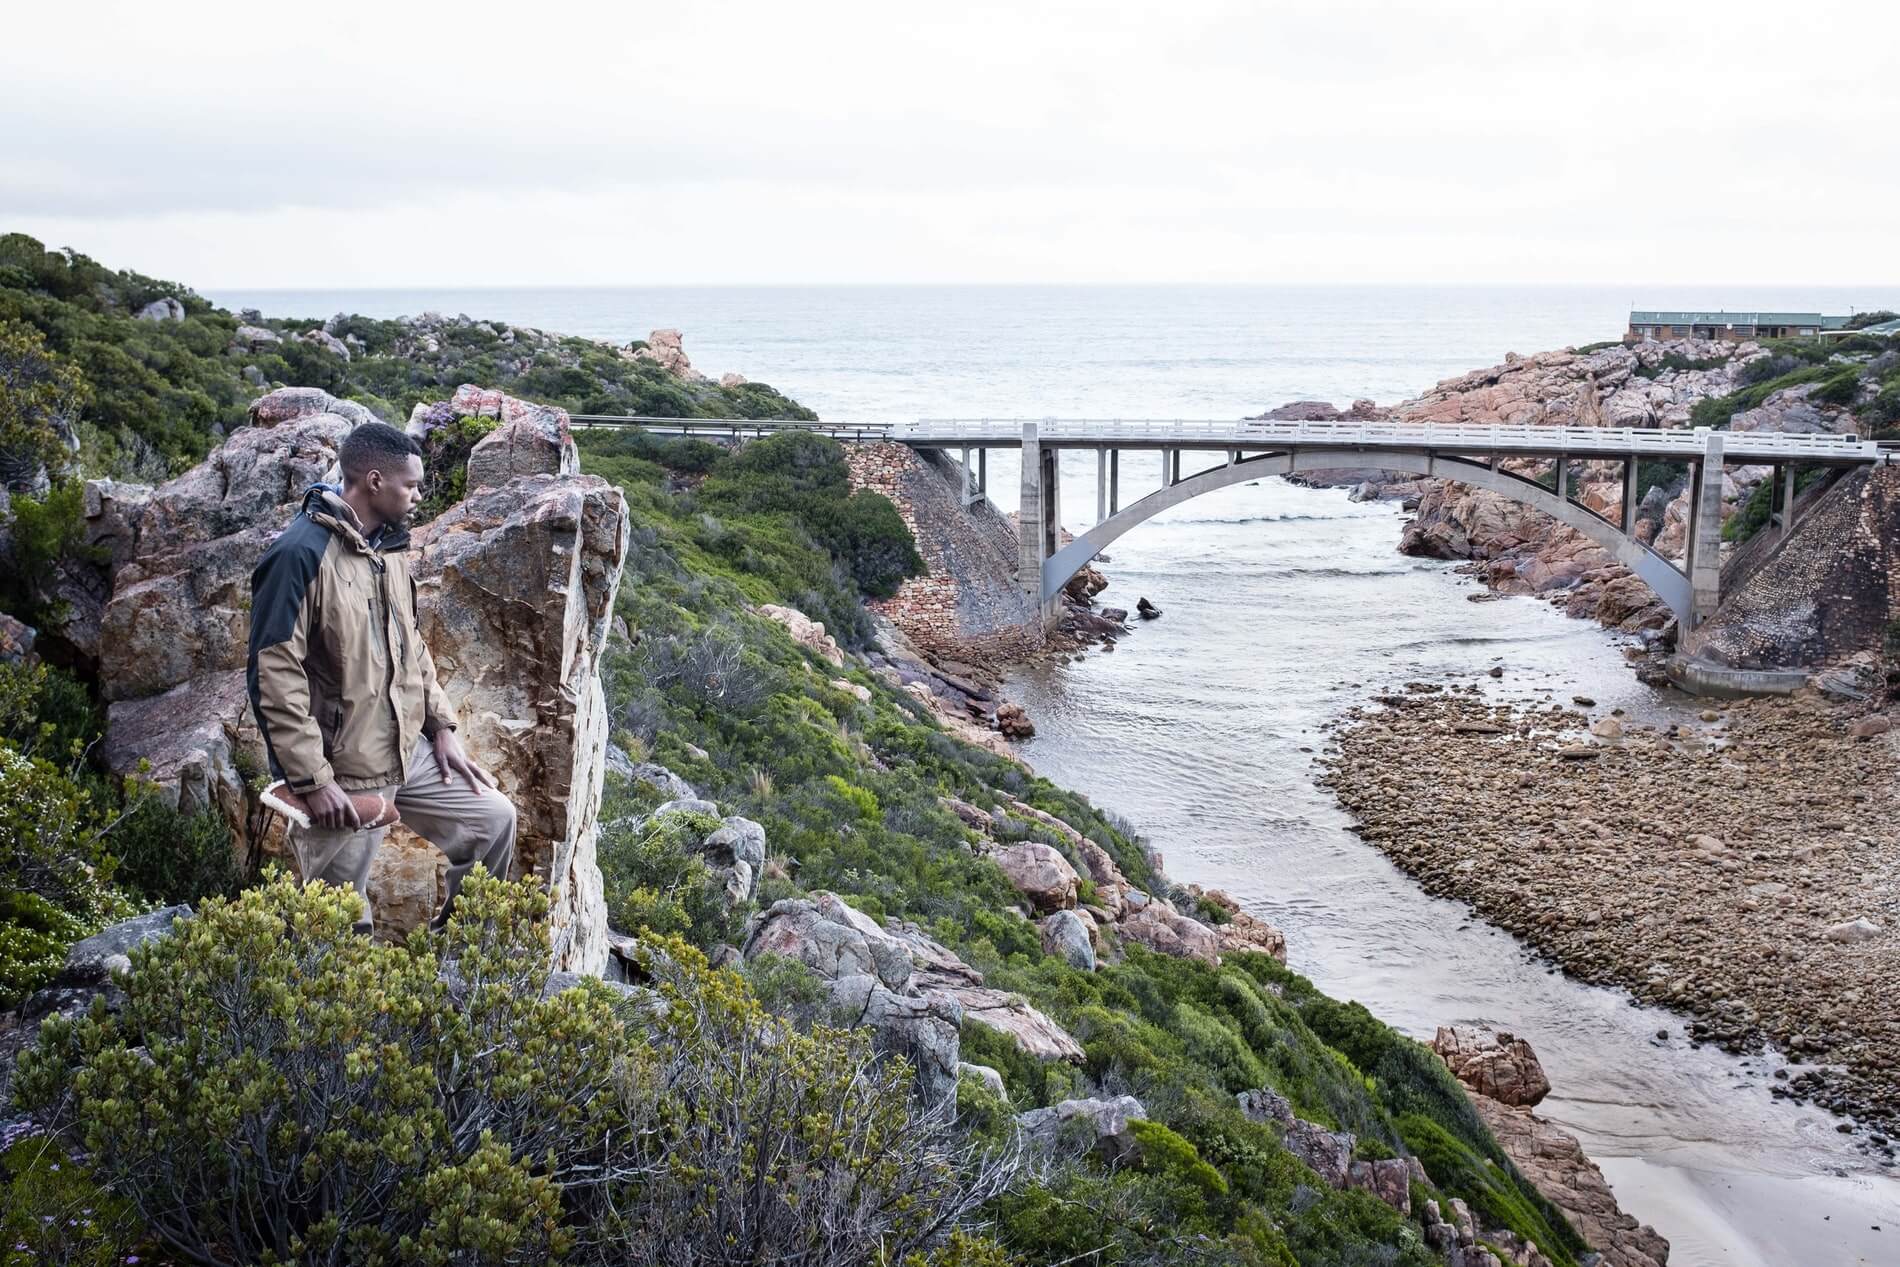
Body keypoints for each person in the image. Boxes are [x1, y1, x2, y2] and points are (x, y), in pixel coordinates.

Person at [246, 421, 516, 935]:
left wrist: (441, 727)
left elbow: (411, 644)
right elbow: (273, 676)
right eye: (410, 485)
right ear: (374, 481)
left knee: (493, 821)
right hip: (343, 766)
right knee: (340, 922)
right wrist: (311, 780)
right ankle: (353, 1014)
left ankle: (459, 971)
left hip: (405, 745)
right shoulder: (297, 555)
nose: (418, 496)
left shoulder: (388, 548)